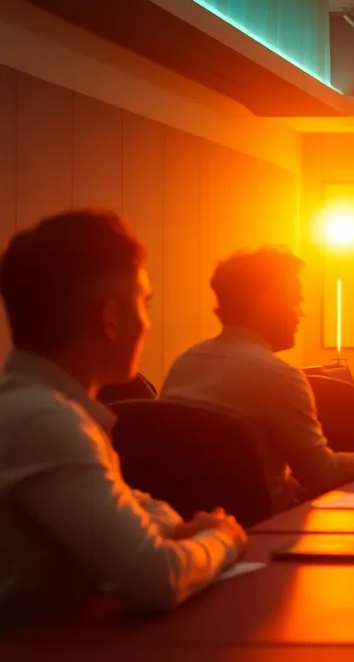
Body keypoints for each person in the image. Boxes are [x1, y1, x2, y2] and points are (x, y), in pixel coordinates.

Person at [0, 210, 246, 633]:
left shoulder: (36, 406)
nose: (147, 323)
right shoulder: (45, 421)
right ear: (111, 319)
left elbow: (132, 508)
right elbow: (154, 579)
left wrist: (173, 527)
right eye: (145, 303)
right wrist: (222, 537)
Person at [161, 248, 354, 512]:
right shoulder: (280, 377)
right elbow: (322, 474)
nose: (301, 314)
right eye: (295, 301)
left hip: (194, 524)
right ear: (267, 303)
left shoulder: (184, 363)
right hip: (269, 525)